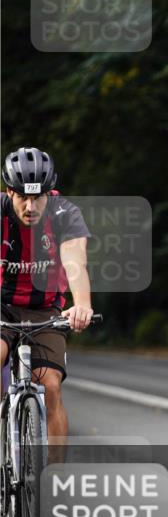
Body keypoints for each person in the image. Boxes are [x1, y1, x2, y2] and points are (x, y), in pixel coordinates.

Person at [1, 147, 94, 463]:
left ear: (49, 193)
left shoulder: (65, 214)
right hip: (1, 307)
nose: (30, 207)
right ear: (9, 192)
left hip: (44, 310)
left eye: (38, 197)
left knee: (50, 385)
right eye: (22, 198)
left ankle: (54, 480)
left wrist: (81, 304)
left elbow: (75, 262)